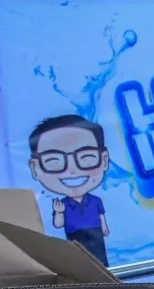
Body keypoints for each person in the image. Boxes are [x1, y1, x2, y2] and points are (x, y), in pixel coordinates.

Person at [27, 114, 111, 266]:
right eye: (54, 160)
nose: (72, 170)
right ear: (35, 168)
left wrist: (104, 227)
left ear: (104, 160)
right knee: (78, 265)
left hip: (96, 231)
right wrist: (58, 212)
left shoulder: (95, 200)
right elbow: (58, 225)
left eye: (86, 158)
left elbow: (101, 216)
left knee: (102, 263)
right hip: (73, 235)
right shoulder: (62, 204)